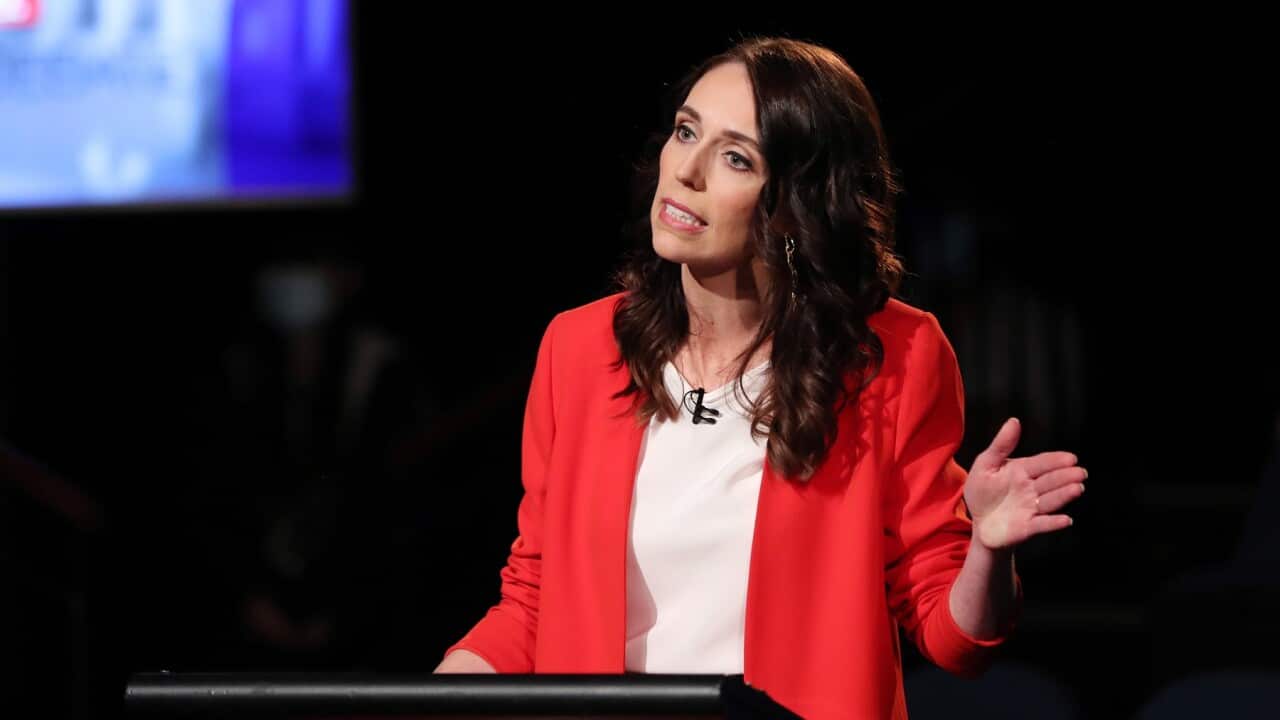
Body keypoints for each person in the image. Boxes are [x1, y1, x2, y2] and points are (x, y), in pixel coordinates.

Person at [433, 37, 1087, 719]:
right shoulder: (580, 347)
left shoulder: (892, 356)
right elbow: (536, 597)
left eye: (735, 157)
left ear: (795, 204)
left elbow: (956, 639)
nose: (686, 170)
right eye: (686, 131)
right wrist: (443, 690)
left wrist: (986, 548)